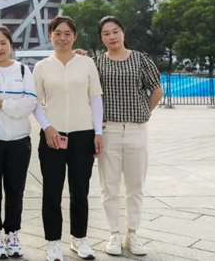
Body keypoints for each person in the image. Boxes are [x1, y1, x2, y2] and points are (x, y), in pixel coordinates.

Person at [32, 16, 103, 261]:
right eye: (57, 33)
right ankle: (53, 242)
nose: (62, 38)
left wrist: (98, 132)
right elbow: (35, 103)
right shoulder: (42, 67)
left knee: (80, 189)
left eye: (67, 33)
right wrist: (47, 127)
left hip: (83, 134)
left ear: (74, 36)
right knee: (52, 190)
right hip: (52, 135)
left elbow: (95, 98)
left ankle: (79, 238)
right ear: (50, 35)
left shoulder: (86, 63)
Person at [95, 16, 163, 257]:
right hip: (109, 131)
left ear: (123, 32)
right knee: (109, 186)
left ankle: (132, 233)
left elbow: (157, 90)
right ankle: (114, 233)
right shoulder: (97, 62)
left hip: (136, 130)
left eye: (115, 31)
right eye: (106, 33)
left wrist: (144, 112)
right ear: (101, 38)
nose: (112, 37)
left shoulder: (141, 59)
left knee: (135, 185)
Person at [0, 25, 38, 259]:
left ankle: (12, 233)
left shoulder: (22, 71)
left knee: (15, 190)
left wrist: (2, 104)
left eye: (3, 43)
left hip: (19, 141)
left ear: (11, 45)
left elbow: (30, 103)